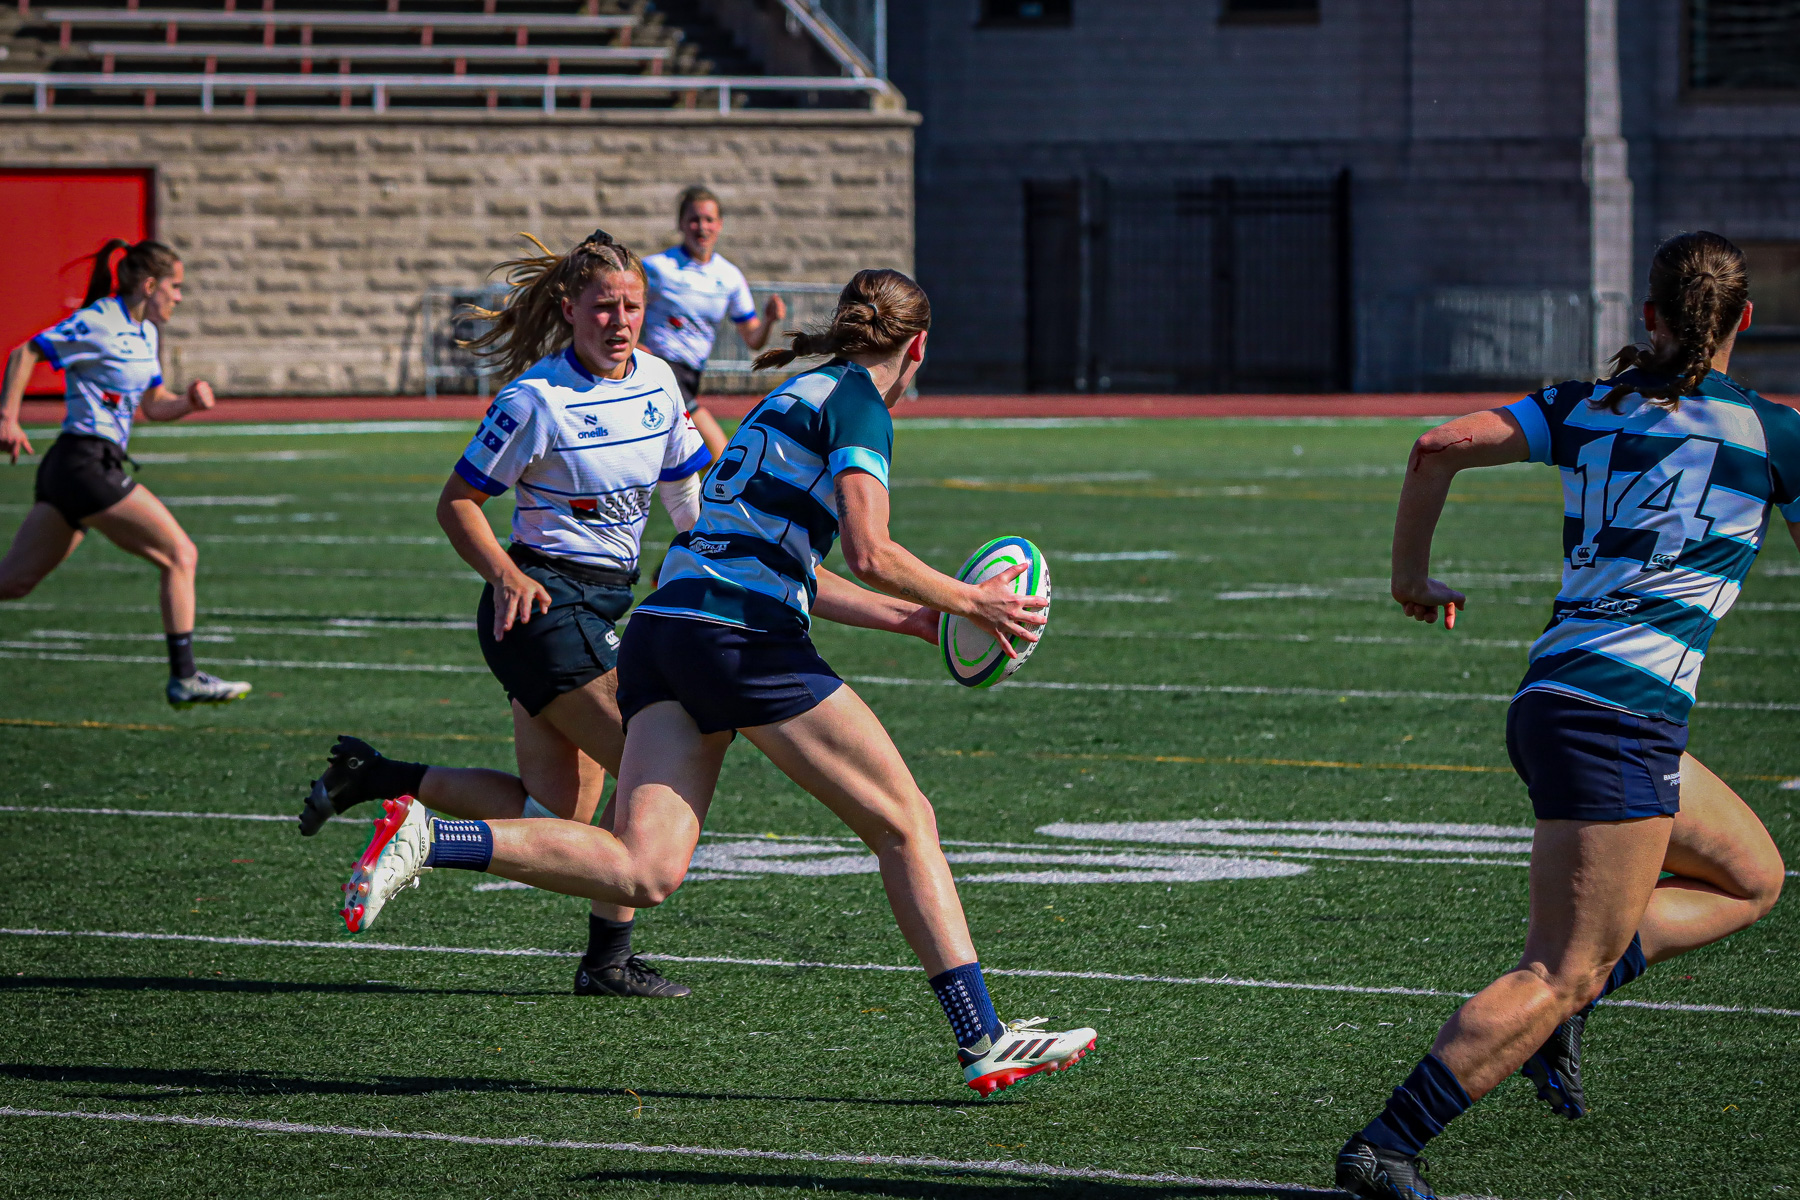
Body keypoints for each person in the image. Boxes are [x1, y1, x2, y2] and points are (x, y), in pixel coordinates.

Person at [332, 268, 1099, 1097]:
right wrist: (971, 600)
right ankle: (981, 1036)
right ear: (917, 347)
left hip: (663, 632)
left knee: (644, 870)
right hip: (742, 642)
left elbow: (792, 566)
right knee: (907, 823)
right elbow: (870, 549)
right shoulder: (859, 407)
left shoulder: (789, 398)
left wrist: (912, 620)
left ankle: (428, 841)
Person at [1336, 231, 1789, 1199]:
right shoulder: (1774, 435)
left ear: (1650, 318)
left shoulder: (1585, 409)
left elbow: (1437, 446)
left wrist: (1409, 578)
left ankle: (1580, 998)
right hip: (1619, 720)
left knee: (1753, 876)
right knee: (1555, 970)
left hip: (1558, 700)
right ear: (1745, 322)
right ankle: (1389, 1145)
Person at [302, 230, 711, 999]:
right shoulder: (536, 399)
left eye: (631, 307)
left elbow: (685, 488)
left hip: (601, 604)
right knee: (649, 772)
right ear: (569, 309)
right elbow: (457, 502)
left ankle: (377, 777)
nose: (619, 321)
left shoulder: (658, 381)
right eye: (603, 307)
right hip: (546, 609)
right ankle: (605, 960)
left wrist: (709, 559)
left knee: (553, 812)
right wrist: (502, 571)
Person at [0, 237, 250, 709]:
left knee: (13, 583)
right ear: (149, 284)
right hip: (83, 463)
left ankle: (186, 677)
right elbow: (25, 352)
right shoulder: (99, 321)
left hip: (81, 467)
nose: (179, 297)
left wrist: (189, 404)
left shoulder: (147, 333)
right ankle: (185, 677)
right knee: (180, 555)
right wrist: (7, 418)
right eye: (174, 287)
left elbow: (154, 407)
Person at [641, 185, 787, 459]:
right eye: (694, 219)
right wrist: (636, 347)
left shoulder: (729, 276)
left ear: (719, 225)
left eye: (709, 219)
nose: (702, 227)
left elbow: (753, 339)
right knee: (720, 455)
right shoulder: (658, 268)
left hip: (691, 376)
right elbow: (624, 306)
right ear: (682, 224)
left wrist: (768, 320)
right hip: (661, 372)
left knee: (678, 465)